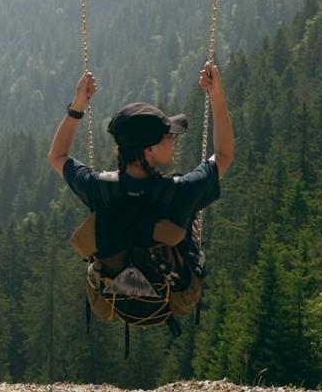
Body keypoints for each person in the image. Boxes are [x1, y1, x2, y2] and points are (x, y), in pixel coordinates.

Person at [47, 61, 234, 324]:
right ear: (149, 150)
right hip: (172, 298)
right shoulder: (181, 192)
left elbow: (57, 156)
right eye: (169, 136)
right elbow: (224, 155)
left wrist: (78, 107)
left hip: (111, 297)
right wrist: (217, 97)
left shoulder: (99, 187)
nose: (174, 141)